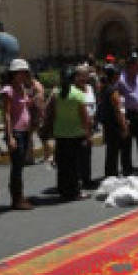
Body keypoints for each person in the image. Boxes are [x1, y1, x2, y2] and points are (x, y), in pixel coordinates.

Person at [52, 66, 91, 200]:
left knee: (63, 164)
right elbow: (84, 117)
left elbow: (54, 113)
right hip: (75, 133)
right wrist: (87, 134)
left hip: (60, 133)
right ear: (74, 79)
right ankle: (75, 191)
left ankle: (63, 190)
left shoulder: (56, 93)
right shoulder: (78, 94)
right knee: (74, 165)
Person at [0, 58, 34, 210]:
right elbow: (6, 114)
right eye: (19, 73)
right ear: (13, 74)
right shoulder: (8, 90)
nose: (22, 75)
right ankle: (16, 198)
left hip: (25, 131)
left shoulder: (22, 88)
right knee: (17, 166)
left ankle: (19, 195)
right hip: (16, 132)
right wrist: (10, 136)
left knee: (21, 165)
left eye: (24, 73)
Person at [98, 64, 128, 177]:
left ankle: (109, 174)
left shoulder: (104, 88)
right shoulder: (113, 91)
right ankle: (113, 174)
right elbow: (118, 110)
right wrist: (124, 126)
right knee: (114, 151)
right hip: (114, 125)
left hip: (107, 123)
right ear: (114, 76)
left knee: (110, 151)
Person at [75, 64, 97, 188]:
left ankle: (86, 178)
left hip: (90, 125)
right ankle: (78, 179)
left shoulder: (89, 88)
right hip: (79, 125)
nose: (83, 79)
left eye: (85, 76)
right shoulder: (74, 90)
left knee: (87, 153)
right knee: (79, 153)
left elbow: (93, 105)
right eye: (81, 76)